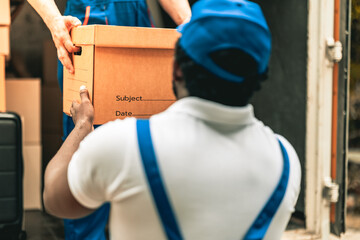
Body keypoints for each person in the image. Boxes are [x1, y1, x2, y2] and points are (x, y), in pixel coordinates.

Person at [43, 0, 301, 239]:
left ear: (175, 67)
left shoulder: (126, 144)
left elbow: (55, 198)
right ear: (261, 77)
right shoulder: (287, 163)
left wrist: (83, 126)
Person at [27, 0, 191, 239]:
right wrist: (53, 20)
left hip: (136, 19)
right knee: (85, 142)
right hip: (87, 21)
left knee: (147, 149)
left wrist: (188, 23)